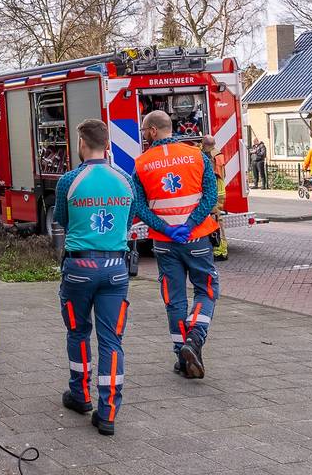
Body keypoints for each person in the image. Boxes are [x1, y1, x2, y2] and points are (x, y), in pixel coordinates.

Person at [54, 120, 132, 436]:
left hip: (79, 270)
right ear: (108, 145)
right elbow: (132, 214)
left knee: (78, 332)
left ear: (82, 144)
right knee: (112, 340)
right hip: (116, 269)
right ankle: (108, 412)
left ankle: (80, 395)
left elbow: (61, 218)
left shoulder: (70, 180)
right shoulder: (124, 180)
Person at [133, 110, 220, 379]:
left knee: (174, 300)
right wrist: (190, 224)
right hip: (195, 239)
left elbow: (139, 206)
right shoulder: (197, 156)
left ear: (153, 131)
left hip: (165, 243)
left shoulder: (141, 164)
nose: (144, 134)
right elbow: (210, 197)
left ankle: (181, 357)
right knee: (206, 290)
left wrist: (165, 228)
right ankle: (195, 339)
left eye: (145, 130)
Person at [201, 136, 229, 262]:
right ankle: (219, 248)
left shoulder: (209, 156)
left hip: (215, 192)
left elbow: (209, 175)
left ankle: (220, 250)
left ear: (204, 144)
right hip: (220, 190)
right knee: (217, 219)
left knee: (217, 220)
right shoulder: (218, 154)